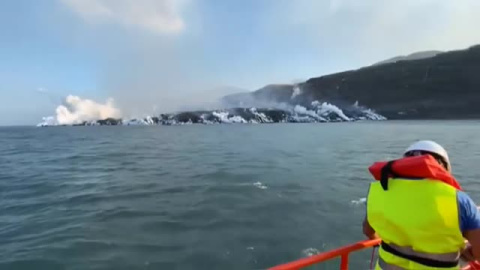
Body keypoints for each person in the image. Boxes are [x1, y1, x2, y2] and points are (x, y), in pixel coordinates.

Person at [363, 140, 480, 269]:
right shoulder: (459, 200)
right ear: (444, 167)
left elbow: (368, 230)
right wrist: (466, 253)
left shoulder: (379, 191)